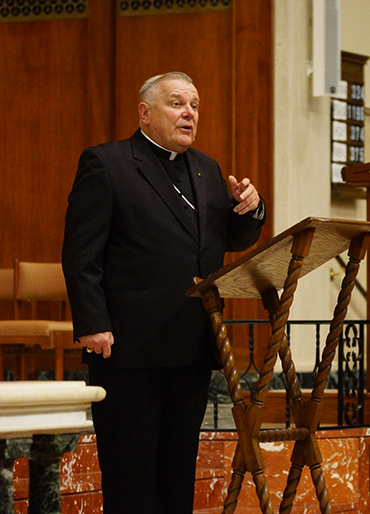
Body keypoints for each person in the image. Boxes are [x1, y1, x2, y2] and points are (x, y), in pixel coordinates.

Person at [62, 71, 265, 514]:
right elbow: (81, 254)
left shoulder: (206, 168)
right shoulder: (107, 163)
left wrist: (251, 209)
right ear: (145, 113)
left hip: (190, 341)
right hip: (128, 346)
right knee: (131, 476)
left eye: (194, 105)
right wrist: (93, 323)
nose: (189, 112)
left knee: (178, 475)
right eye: (176, 103)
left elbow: (225, 237)